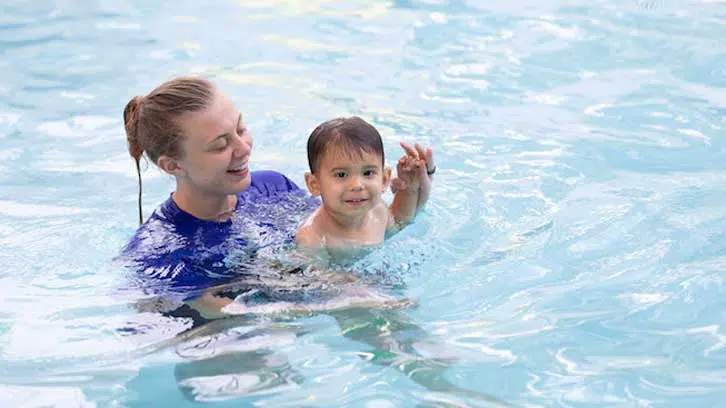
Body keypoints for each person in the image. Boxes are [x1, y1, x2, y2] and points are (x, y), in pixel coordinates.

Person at [117, 76, 405, 324]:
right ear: (173, 165)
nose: (243, 149)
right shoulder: (160, 254)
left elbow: (342, 235)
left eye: (240, 129)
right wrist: (349, 299)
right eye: (220, 145)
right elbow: (239, 316)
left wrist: (411, 194)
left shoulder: (273, 188)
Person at [296, 116, 436, 256]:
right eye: (341, 175)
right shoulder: (312, 238)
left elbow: (400, 222)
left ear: (384, 179)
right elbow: (317, 275)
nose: (357, 185)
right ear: (314, 184)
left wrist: (409, 187)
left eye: (368, 173)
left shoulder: (377, 211)